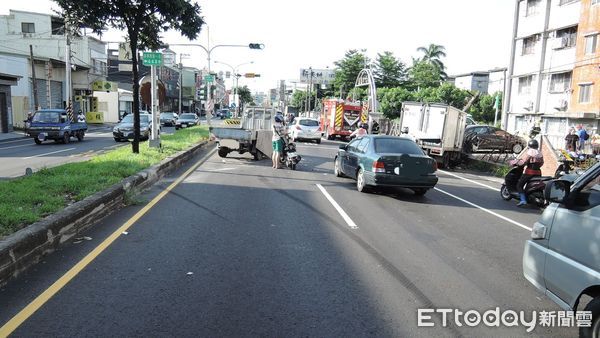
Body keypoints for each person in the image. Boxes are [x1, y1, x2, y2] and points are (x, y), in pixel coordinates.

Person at [510, 139, 544, 206]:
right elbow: (542, 163)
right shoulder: (540, 153)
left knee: (519, 185)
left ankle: (523, 200)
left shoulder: (530, 152)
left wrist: (516, 163)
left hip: (529, 172)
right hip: (538, 173)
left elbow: (524, 162)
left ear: (529, 145)